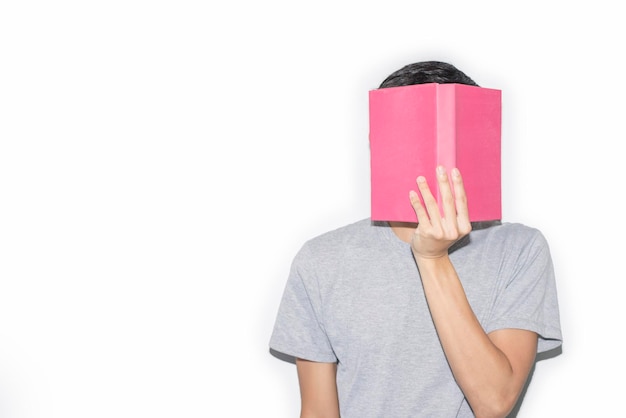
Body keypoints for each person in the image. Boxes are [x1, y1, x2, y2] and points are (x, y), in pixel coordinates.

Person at [269, 60, 562, 418]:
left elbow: (495, 401)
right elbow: (317, 411)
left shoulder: (519, 250)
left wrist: (433, 259)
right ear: (375, 142)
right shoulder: (321, 260)